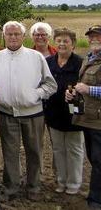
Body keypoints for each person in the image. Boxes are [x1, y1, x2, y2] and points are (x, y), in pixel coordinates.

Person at [0, 21, 57, 202]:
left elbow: (50, 84)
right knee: (9, 152)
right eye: (9, 34)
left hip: (33, 113)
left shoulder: (36, 57)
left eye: (16, 34)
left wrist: (35, 95)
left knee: (34, 151)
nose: (13, 37)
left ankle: (34, 186)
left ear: (23, 36)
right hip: (7, 113)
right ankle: (11, 187)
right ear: (4, 36)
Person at [45, 28, 84, 195]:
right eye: (59, 40)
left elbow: (85, 86)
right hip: (53, 113)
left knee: (74, 149)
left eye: (65, 41)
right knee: (58, 149)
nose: (61, 44)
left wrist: (76, 92)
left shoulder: (80, 63)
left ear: (73, 45)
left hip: (74, 114)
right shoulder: (49, 62)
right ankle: (61, 181)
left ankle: (74, 184)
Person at [67, 25, 101, 209]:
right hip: (87, 117)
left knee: (99, 161)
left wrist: (89, 89)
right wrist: (73, 94)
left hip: (99, 120)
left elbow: (88, 87)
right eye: (91, 36)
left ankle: (96, 200)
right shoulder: (90, 57)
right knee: (93, 159)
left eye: (97, 36)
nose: (93, 39)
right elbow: (83, 84)